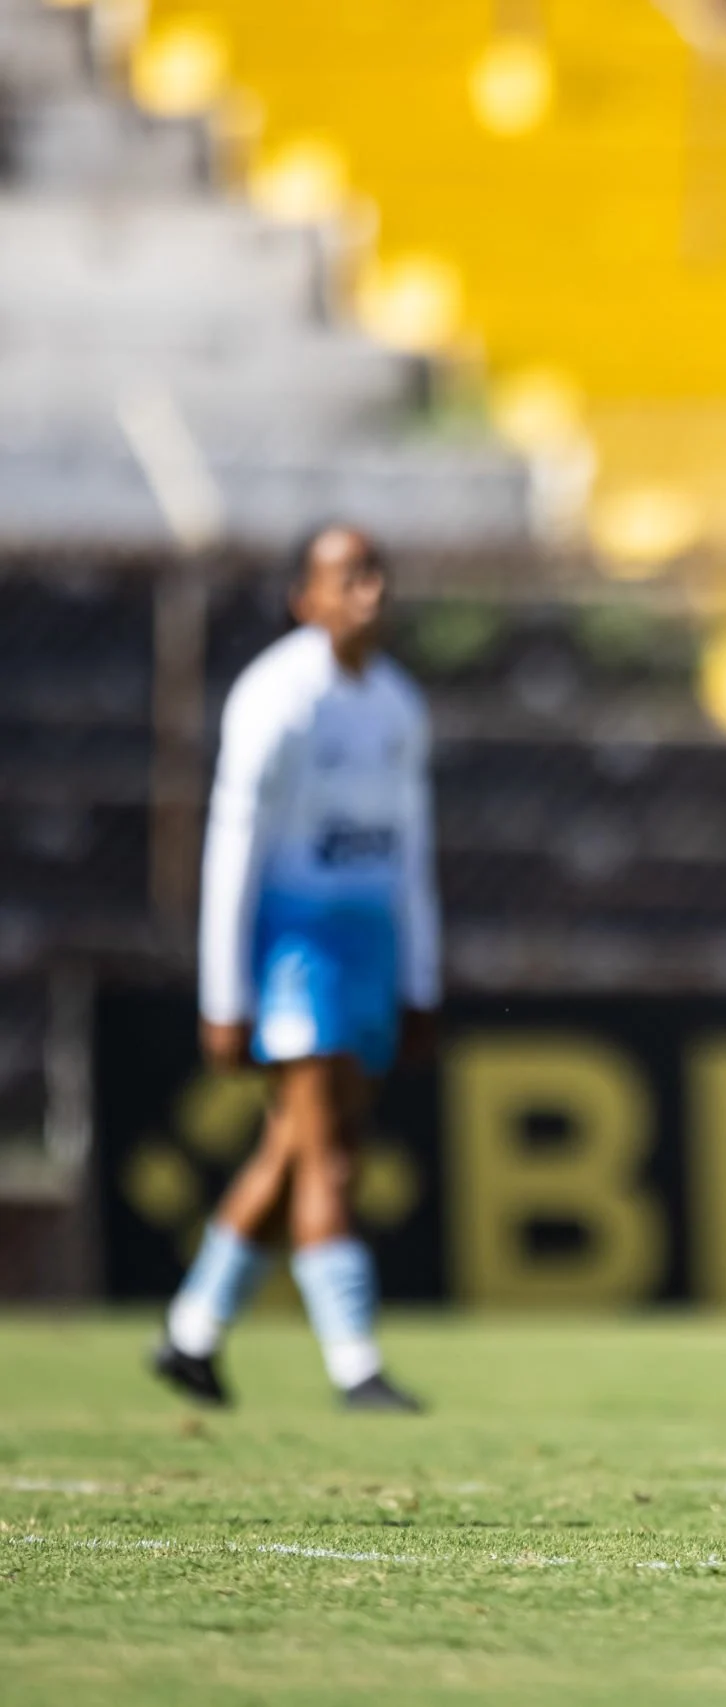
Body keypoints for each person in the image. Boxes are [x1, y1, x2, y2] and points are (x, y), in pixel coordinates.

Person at [151, 525, 437, 1413]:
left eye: (378, 574)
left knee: (290, 1147)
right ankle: (356, 1363)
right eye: (350, 577)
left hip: (368, 943)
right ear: (304, 597)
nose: (372, 592)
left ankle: (192, 1335)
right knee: (332, 1153)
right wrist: (224, 994)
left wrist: (419, 977)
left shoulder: (396, 703)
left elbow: (412, 853)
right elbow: (233, 847)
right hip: (295, 944)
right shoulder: (277, 697)